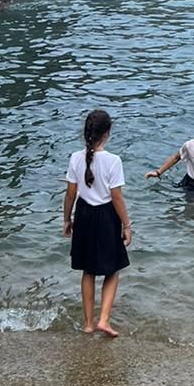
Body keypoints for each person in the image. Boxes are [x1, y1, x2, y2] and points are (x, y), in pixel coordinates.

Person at [63, 108, 131, 336]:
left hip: (83, 215)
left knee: (88, 270)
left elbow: (70, 193)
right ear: (107, 133)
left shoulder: (75, 158)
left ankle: (88, 323)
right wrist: (127, 225)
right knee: (112, 269)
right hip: (106, 216)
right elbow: (116, 197)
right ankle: (104, 319)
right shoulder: (113, 161)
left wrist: (67, 219)